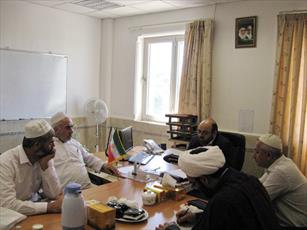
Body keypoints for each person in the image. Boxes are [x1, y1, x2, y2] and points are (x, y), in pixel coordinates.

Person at [156, 146, 280, 230]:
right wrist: (197, 217)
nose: (194, 187)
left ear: (204, 179)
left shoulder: (223, 200)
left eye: (193, 183)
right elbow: (232, 220)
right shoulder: (250, 180)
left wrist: (171, 228)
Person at [0, 120, 62, 216]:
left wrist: (45, 166)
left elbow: (54, 194)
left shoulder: (43, 157)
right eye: (50, 142)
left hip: (34, 211)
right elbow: (7, 204)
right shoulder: (6, 163)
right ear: (36, 145)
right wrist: (48, 207)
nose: (54, 146)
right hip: (12, 216)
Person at [50, 112, 120, 189]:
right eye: (68, 127)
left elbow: (88, 157)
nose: (72, 131)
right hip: (65, 193)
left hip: (87, 187)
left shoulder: (74, 143)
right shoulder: (49, 148)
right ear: (55, 130)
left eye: (72, 127)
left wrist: (103, 165)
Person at [254, 134, 307, 227]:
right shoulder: (279, 164)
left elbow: (257, 199)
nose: (253, 156)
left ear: (268, 156)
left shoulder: (281, 172)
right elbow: (256, 187)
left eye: (257, 152)